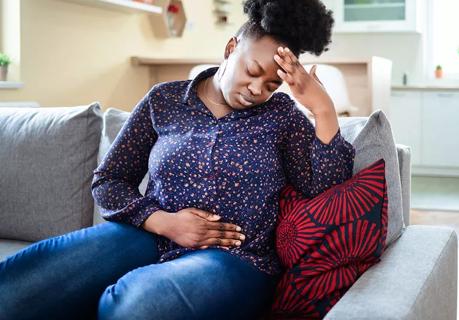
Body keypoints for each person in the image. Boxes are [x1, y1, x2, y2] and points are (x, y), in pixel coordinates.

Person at [0, 0, 356, 319]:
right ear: (231, 48)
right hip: (146, 237)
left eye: (270, 85)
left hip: (235, 260)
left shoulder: (281, 116)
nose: (256, 89)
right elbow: (109, 180)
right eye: (252, 71)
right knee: (17, 289)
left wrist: (322, 110)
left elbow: (321, 187)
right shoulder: (163, 100)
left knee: (134, 308)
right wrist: (163, 223)